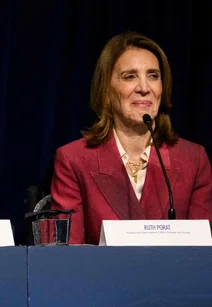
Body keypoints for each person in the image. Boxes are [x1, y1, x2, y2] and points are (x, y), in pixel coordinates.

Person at [51, 32, 212, 245]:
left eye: (153, 76)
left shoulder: (193, 160)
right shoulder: (74, 160)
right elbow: (67, 254)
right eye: (130, 77)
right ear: (106, 91)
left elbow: (202, 253)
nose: (144, 88)